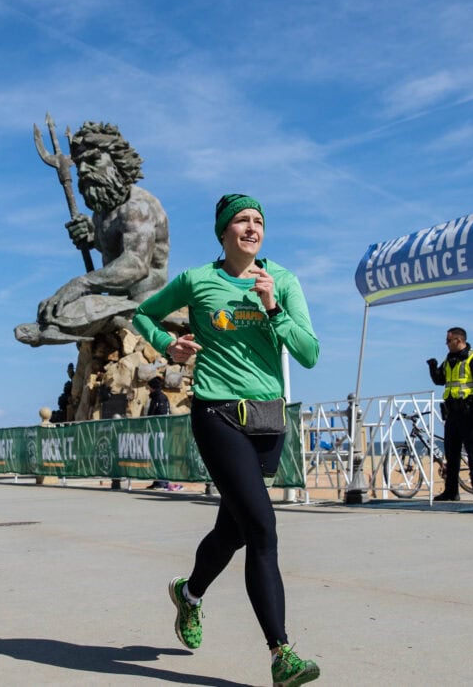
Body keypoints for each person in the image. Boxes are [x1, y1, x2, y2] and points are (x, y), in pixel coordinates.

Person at [133, 193, 321, 686]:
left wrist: (273, 307)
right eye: (242, 220)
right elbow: (143, 315)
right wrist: (167, 345)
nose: (252, 227)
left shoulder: (281, 280)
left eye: (259, 220)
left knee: (233, 531)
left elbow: (309, 353)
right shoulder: (198, 280)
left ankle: (189, 594)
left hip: (268, 420)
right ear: (223, 231)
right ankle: (282, 655)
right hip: (216, 414)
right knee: (262, 528)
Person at [15, 121, 169, 346]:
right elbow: (111, 245)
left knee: (66, 309)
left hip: (145, 304)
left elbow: (135, 264)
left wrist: (81, 283)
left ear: (117, 162)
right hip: (116, 301)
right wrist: (90, 236)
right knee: (53, 309)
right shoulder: (102, 212)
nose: (84, 170)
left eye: (93, 161)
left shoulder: (137, 206)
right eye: (79, 165)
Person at [427, 326, 473, 502]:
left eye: (448, 340)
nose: (446, 344)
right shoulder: (449, 360)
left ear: (459, 340)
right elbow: (441, 380)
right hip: (452, 413)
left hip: (469, 412)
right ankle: (451, 491)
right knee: (451, 453)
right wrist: (432, 367)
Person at [143, 376, 180, 491]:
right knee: (155, 456)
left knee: (161, 456)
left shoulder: (161, 398)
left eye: (149, 387)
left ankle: (163, 482)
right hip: (154, 431)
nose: (148, 389)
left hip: (161, 432)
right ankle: (157, 480)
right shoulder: (154, 398)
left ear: (153, 387)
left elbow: (163, 415)